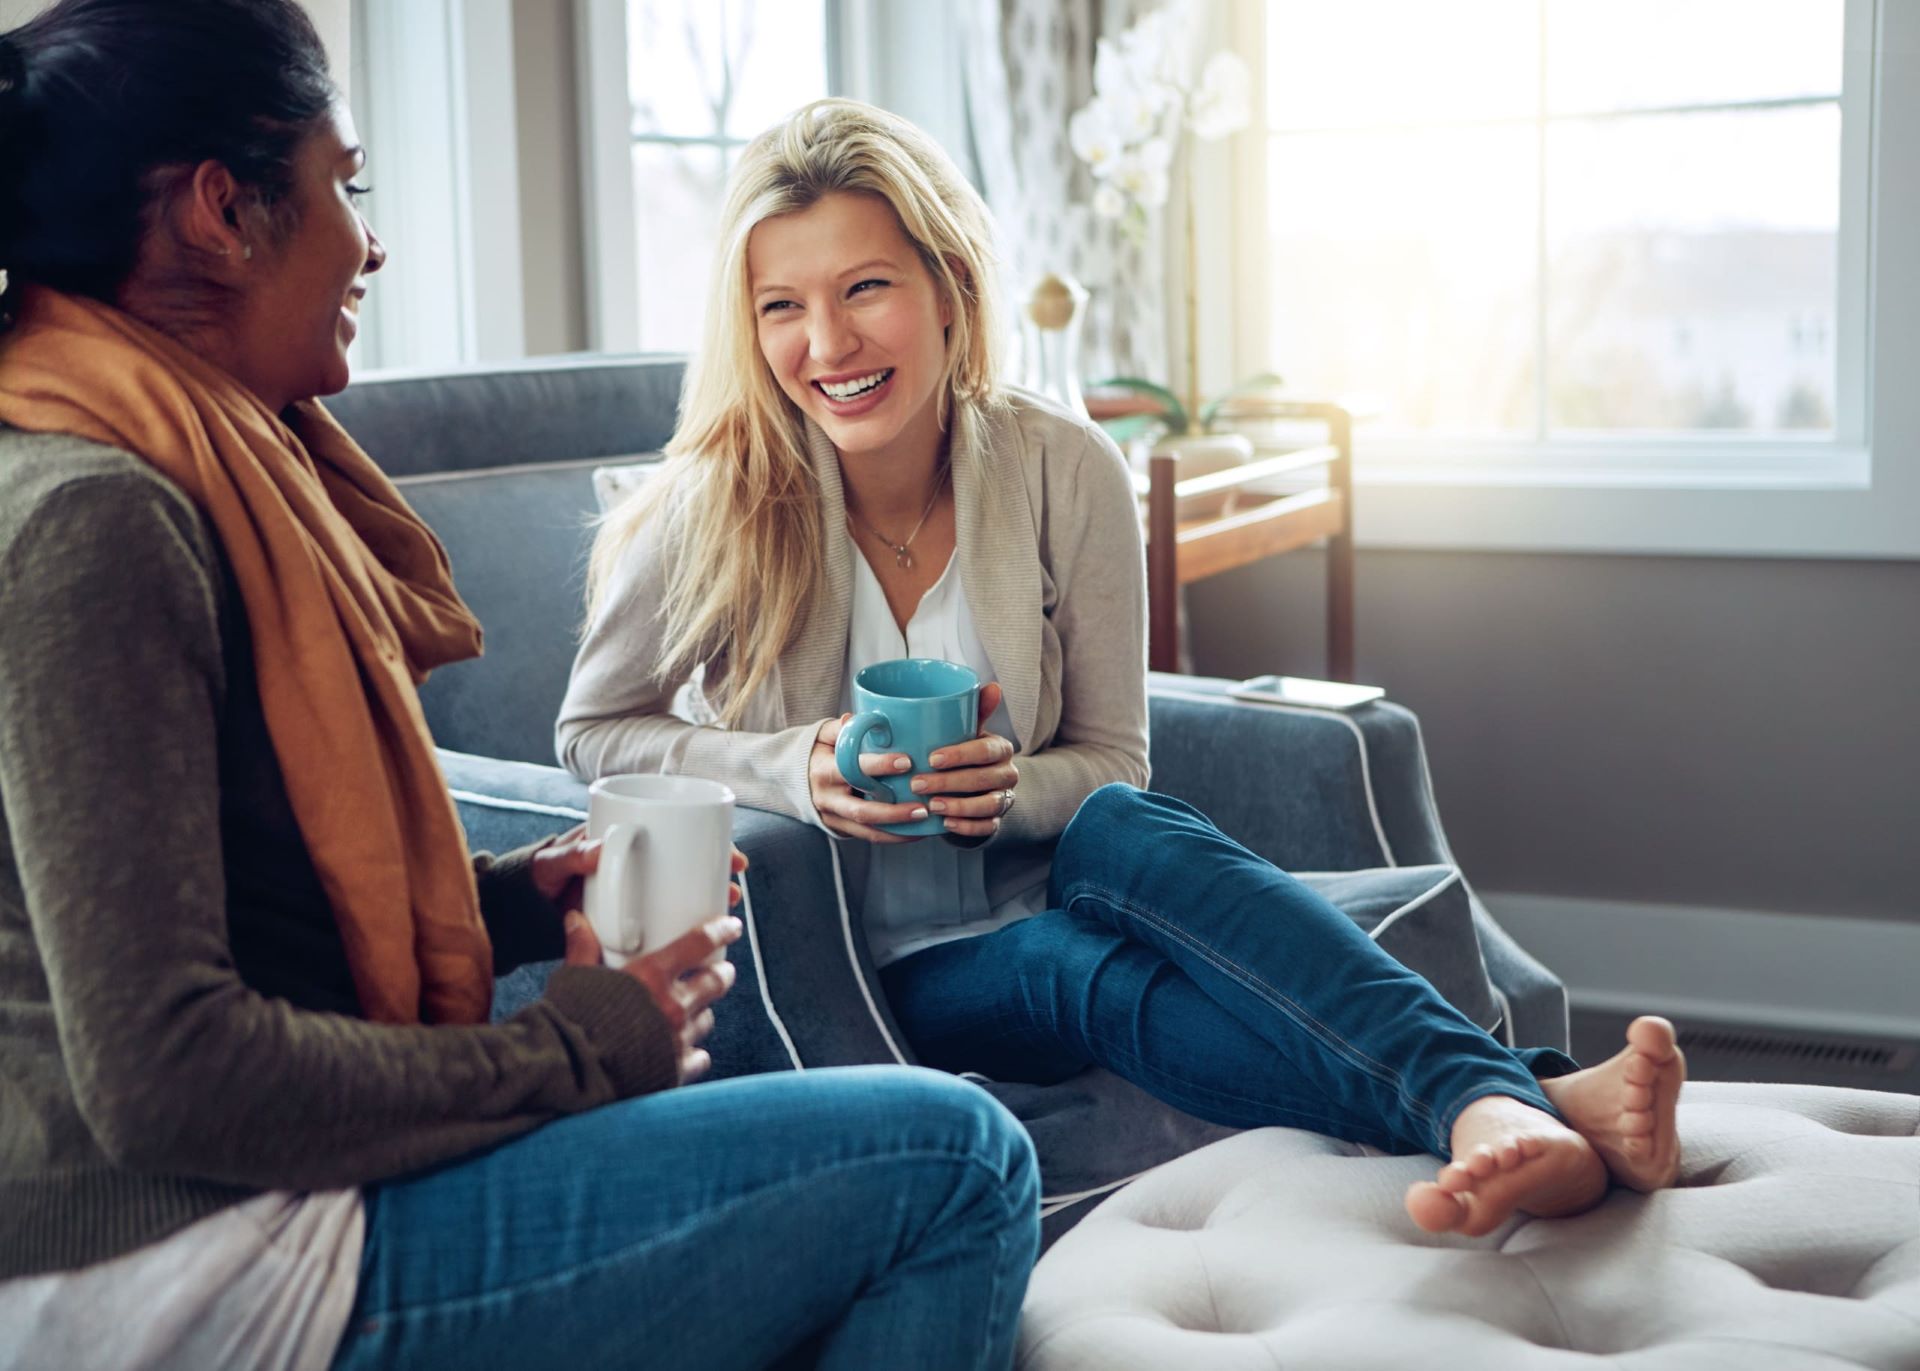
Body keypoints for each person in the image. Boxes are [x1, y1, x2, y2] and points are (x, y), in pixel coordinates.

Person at [0, 7, 1038, 1370]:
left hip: (226, 1220)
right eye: (343, 184)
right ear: (220, 213)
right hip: (179, 1270)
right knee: (960, 1156)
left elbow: (225, 895)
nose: (368, 239)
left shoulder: (162, 465)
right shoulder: (93, 516)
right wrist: (582, 1041)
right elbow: (166, 1072)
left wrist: (507, 900)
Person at [559, 97, 1688, 1240]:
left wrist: (1005, 790)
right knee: (1068, 968)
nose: (829, 345)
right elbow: (594, 730)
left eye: (865, 289)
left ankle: (1498, 1106)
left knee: (1122, 829)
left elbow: (1112, 759)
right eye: (781, 309)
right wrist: (789, 765)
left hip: (1039, 878)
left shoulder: (1064, 466)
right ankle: (1516, 1090)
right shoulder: (718, 498)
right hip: (869, 962)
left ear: (947, 287)